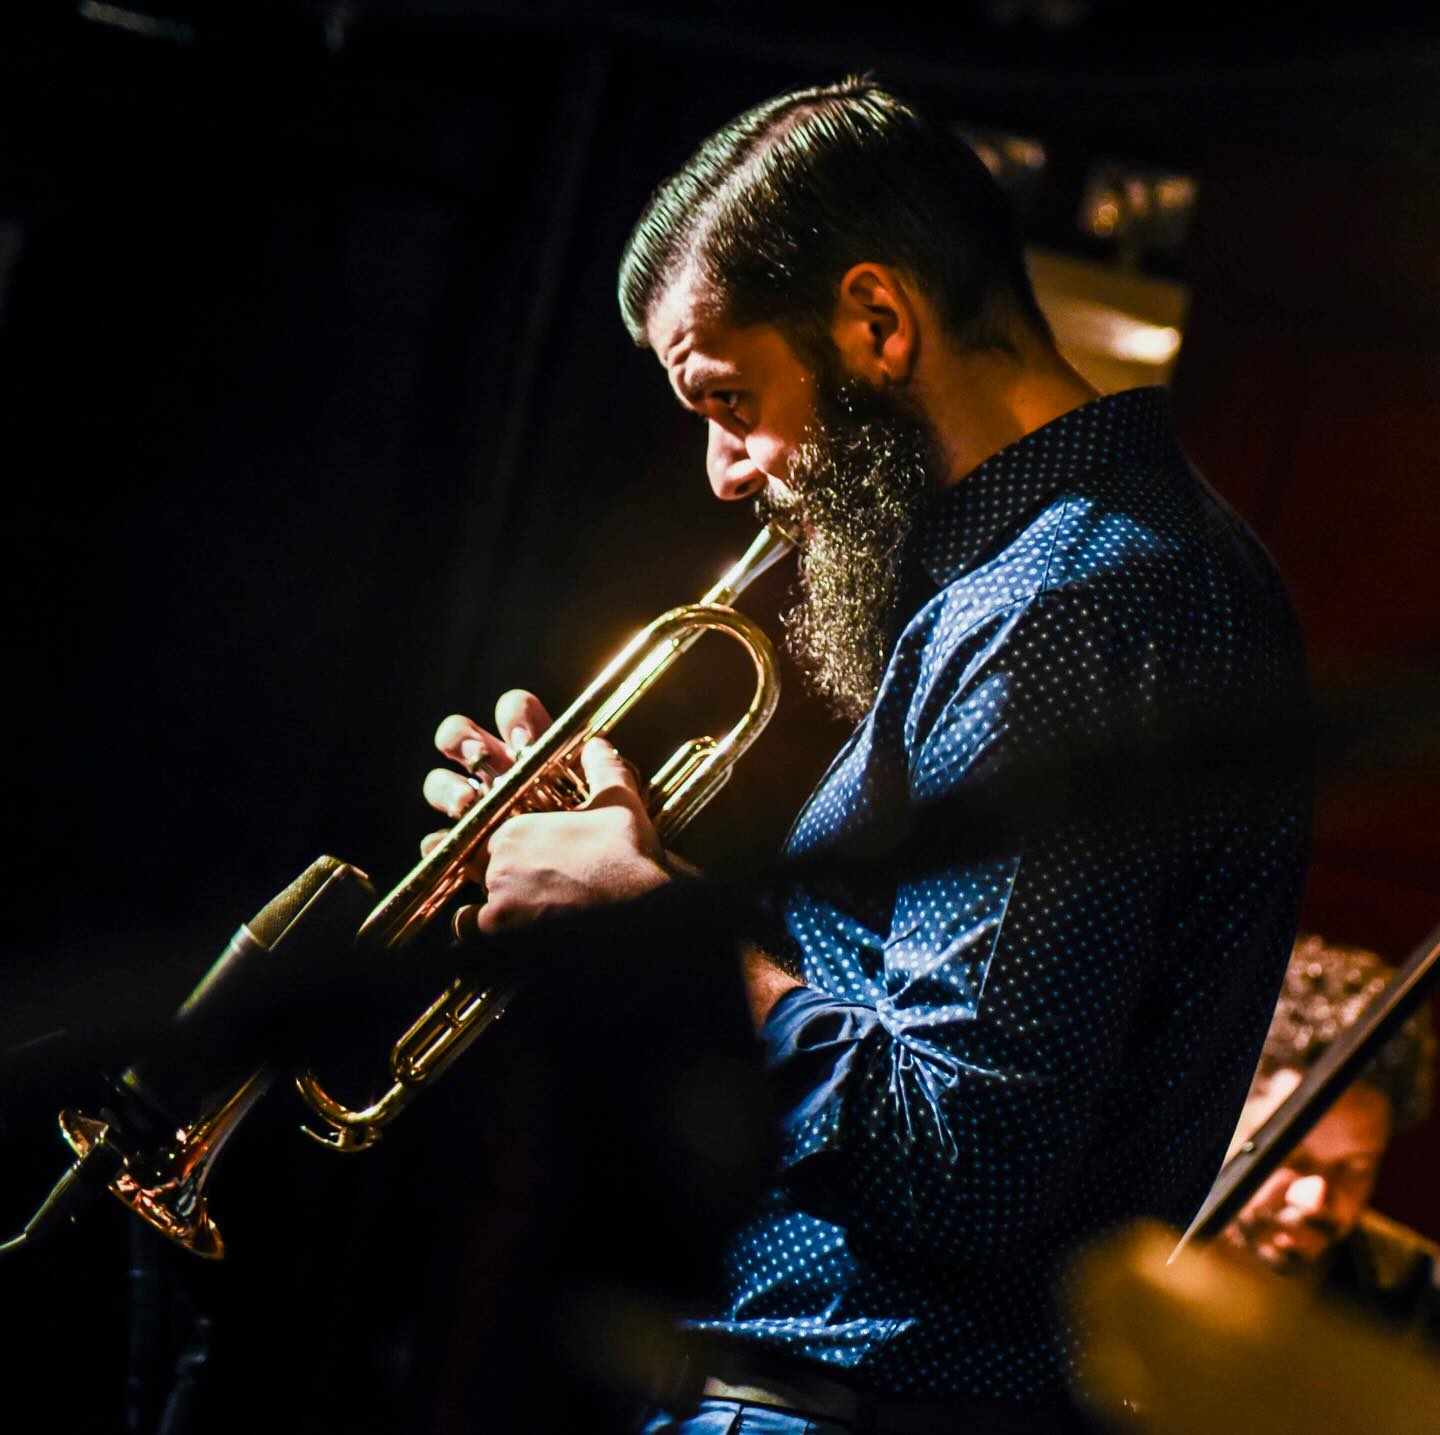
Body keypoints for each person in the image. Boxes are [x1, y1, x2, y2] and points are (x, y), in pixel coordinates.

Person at [420, 78, 1312, 1431]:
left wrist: (654, 926)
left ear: (878, 321)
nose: (724, 467)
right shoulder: (1104, 568)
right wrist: (646, 874)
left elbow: (968, 1162)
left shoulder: (1063, 603)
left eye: (730, 397)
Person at [1222, 933, 1439, 1348]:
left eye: (1353, 1168)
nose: (1315, 1199)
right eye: (1290, 1156)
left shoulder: (1419, 1296)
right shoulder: (1121, 1239)